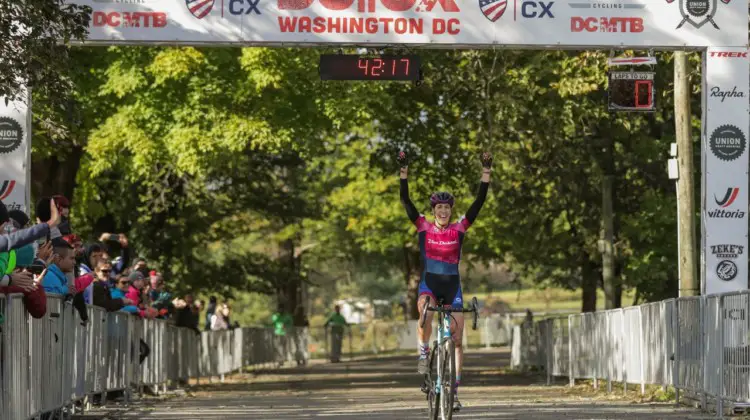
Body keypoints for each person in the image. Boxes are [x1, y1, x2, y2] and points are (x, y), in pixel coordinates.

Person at [398, 150, 491, 412]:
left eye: (447, 207)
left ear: (451, 210)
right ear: (434, 210)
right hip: (430, 283)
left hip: (452, 287)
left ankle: (455, 391)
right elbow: (405, 200)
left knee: (458, 339)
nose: (442, 211)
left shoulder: (459, 228)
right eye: (439, 207)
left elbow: (479, 202)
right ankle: (424, 353)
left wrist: (486, 172)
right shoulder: (423, 227)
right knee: (425, 313)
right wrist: (403, 171)